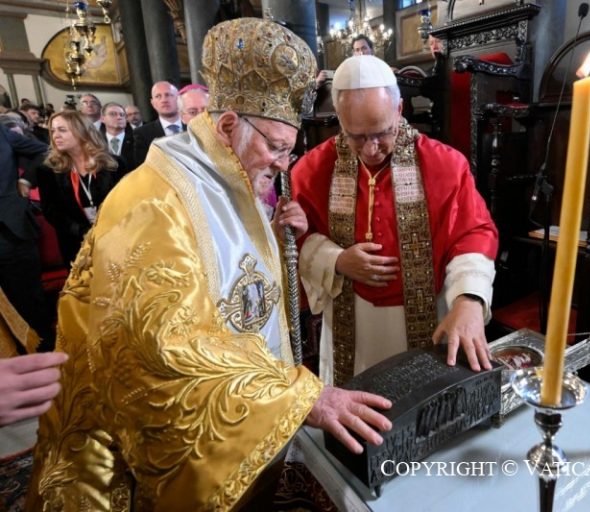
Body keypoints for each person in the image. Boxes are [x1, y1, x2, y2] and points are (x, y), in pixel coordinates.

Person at [26, 18, 392, 510]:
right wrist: (301, 398)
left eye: (290, 149)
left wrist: (278, 237)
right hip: (128, 460)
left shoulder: (226, 175)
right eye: (276, 148)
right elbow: (161, 348)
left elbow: (234, 285)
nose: (284, 163)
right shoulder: (154, 201)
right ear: (227, 126)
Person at [292, 56, 499, 386]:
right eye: (356, 136)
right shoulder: (311, 170)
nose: (371, 149)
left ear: (399, 109)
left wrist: (469, 300)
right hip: (350, 322)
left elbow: (473, 232)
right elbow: (294, 238)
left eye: (381, 133)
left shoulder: (445, 165)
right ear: (339, 121)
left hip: (428, 316)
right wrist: (336, 260)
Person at [36, 111, 126, 265]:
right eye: (53, 131)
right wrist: (84, 232)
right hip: (76, 245)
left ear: (82, 131)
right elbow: (52, 211)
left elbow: (127, 202)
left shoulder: (114, 164)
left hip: (117, 239)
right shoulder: (48, 170)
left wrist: (109, 231)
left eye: (62, 130)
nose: (56, 135)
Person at [0, 124, 53, 350]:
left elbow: (45, 150)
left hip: (13, 228)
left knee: (29, 295)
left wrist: (26, 180)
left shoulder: (2, 133)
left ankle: (45, 347)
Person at [132, 81, 184, 166]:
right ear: (153, 103)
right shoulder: (142, 134)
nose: (164, 100)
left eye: (168, 95)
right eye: (158, 96)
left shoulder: (193, 126)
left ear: (179, 99)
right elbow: (143, 166)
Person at [101, 101, 137, 171]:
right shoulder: (96, 143)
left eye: (122, 115)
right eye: (112, 114)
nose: (119, 117)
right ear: (102, 119)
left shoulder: (137, 140)